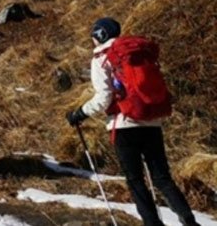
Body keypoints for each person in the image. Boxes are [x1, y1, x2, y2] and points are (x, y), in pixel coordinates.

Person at [66, 18, 200, 226]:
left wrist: (80, 113)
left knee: (136, 180)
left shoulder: (102, 58)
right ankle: (189, 221)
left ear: (100, 34)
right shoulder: (137, 54)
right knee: (162, 177)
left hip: (123, 124)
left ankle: (152, 223)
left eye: (93, 34)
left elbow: (104, 97)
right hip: (152, 121)